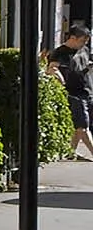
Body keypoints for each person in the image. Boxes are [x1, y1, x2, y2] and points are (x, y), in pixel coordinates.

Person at [49, 23, 93, 161]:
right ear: (73, 38)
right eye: (81, 41)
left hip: (86, 90)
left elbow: (82, 67)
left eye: (86, 41)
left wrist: (89, 67)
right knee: (82, 127)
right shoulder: (60, 52)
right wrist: (60, 80)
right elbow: (52, 69)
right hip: (73, 92)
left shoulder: (84, 50)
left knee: (78, 126)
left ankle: (70, 153)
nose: (83, 44)